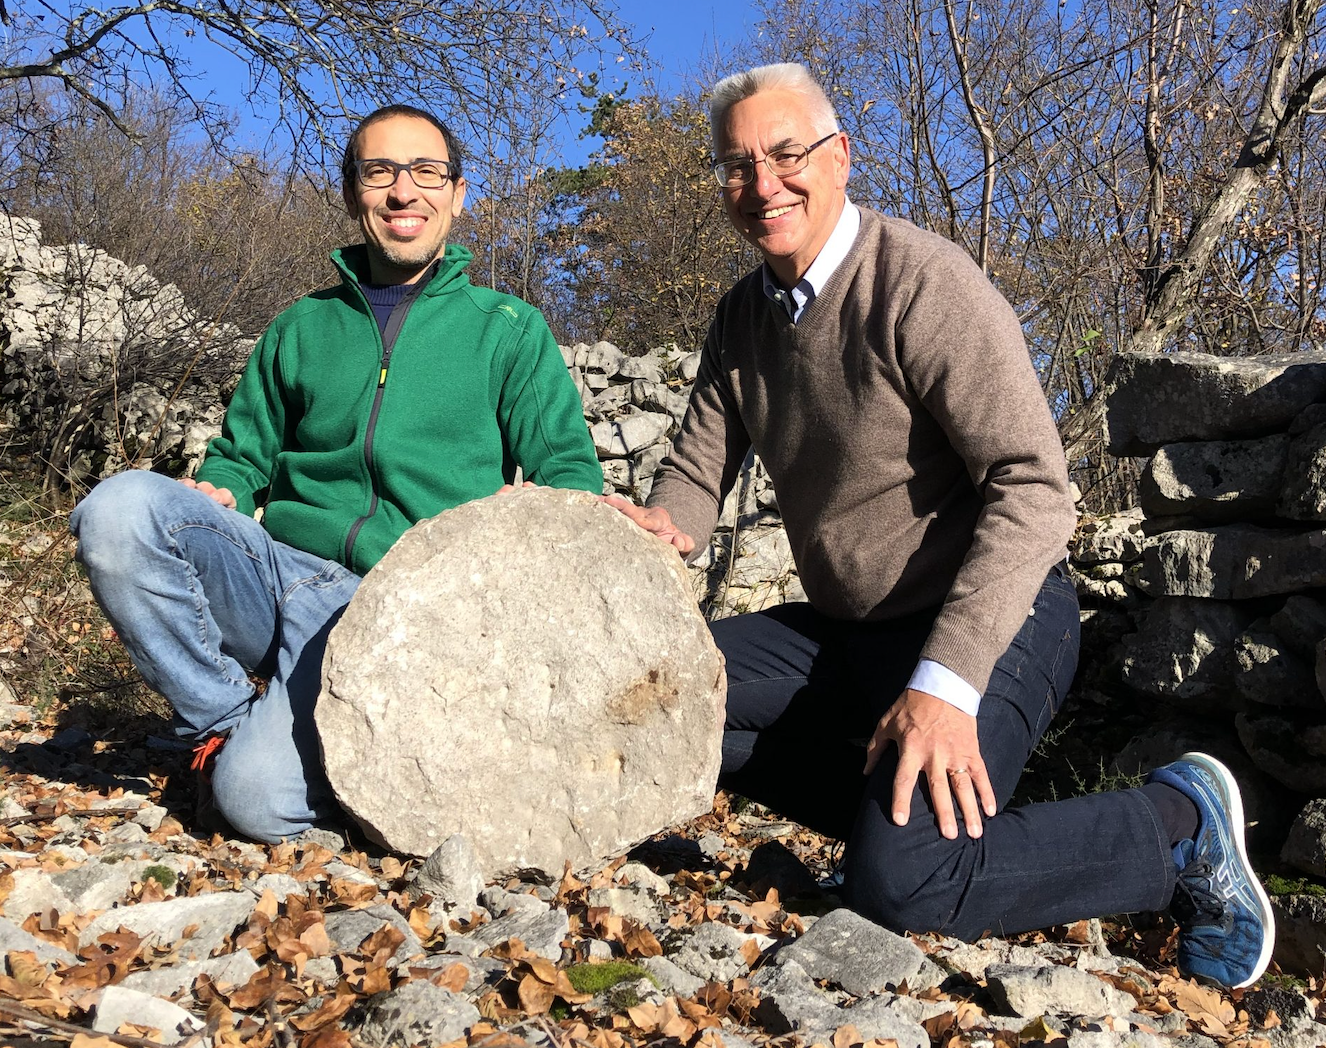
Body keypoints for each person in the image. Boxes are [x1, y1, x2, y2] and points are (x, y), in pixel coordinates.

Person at [609, 63, 1274, 989]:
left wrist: (948, 681)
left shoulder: (922, 283)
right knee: (675, 706)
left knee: (905, 888)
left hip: (992, 620)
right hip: (847, 635)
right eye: (736, 165)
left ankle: (1175, 826)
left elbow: (1036, 488)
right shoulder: (740, 320)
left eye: (787, 153)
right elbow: (693, 474)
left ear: (840, 156)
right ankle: (901, 821)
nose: (763, 185)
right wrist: (653, 526)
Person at [71, 104, 601, 843]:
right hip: (278, 576)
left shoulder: (507, 330)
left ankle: (308, 762)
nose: (402, 192)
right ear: (353, 193)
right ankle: (221, 724)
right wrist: (223, 489)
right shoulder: (297, 327)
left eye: (425, 172)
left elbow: (571, 476)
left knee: (257, 803)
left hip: (405, 607)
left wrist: (529, 518)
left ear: (459, 193)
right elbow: (242, 457)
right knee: (118, 509)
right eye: (379, 172)